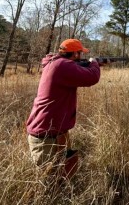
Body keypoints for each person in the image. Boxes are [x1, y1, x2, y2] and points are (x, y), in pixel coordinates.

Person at [26, 38, 101, 179]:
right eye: (80, 53)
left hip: (54, 132)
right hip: (46, 136)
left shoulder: (55, 63)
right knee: (48, 183)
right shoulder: (62, 65)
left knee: (63, 177)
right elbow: (92, 77)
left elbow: (80, 71)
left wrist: (90, 65)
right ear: (76, 54)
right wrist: (95, 63)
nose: (82, 56)